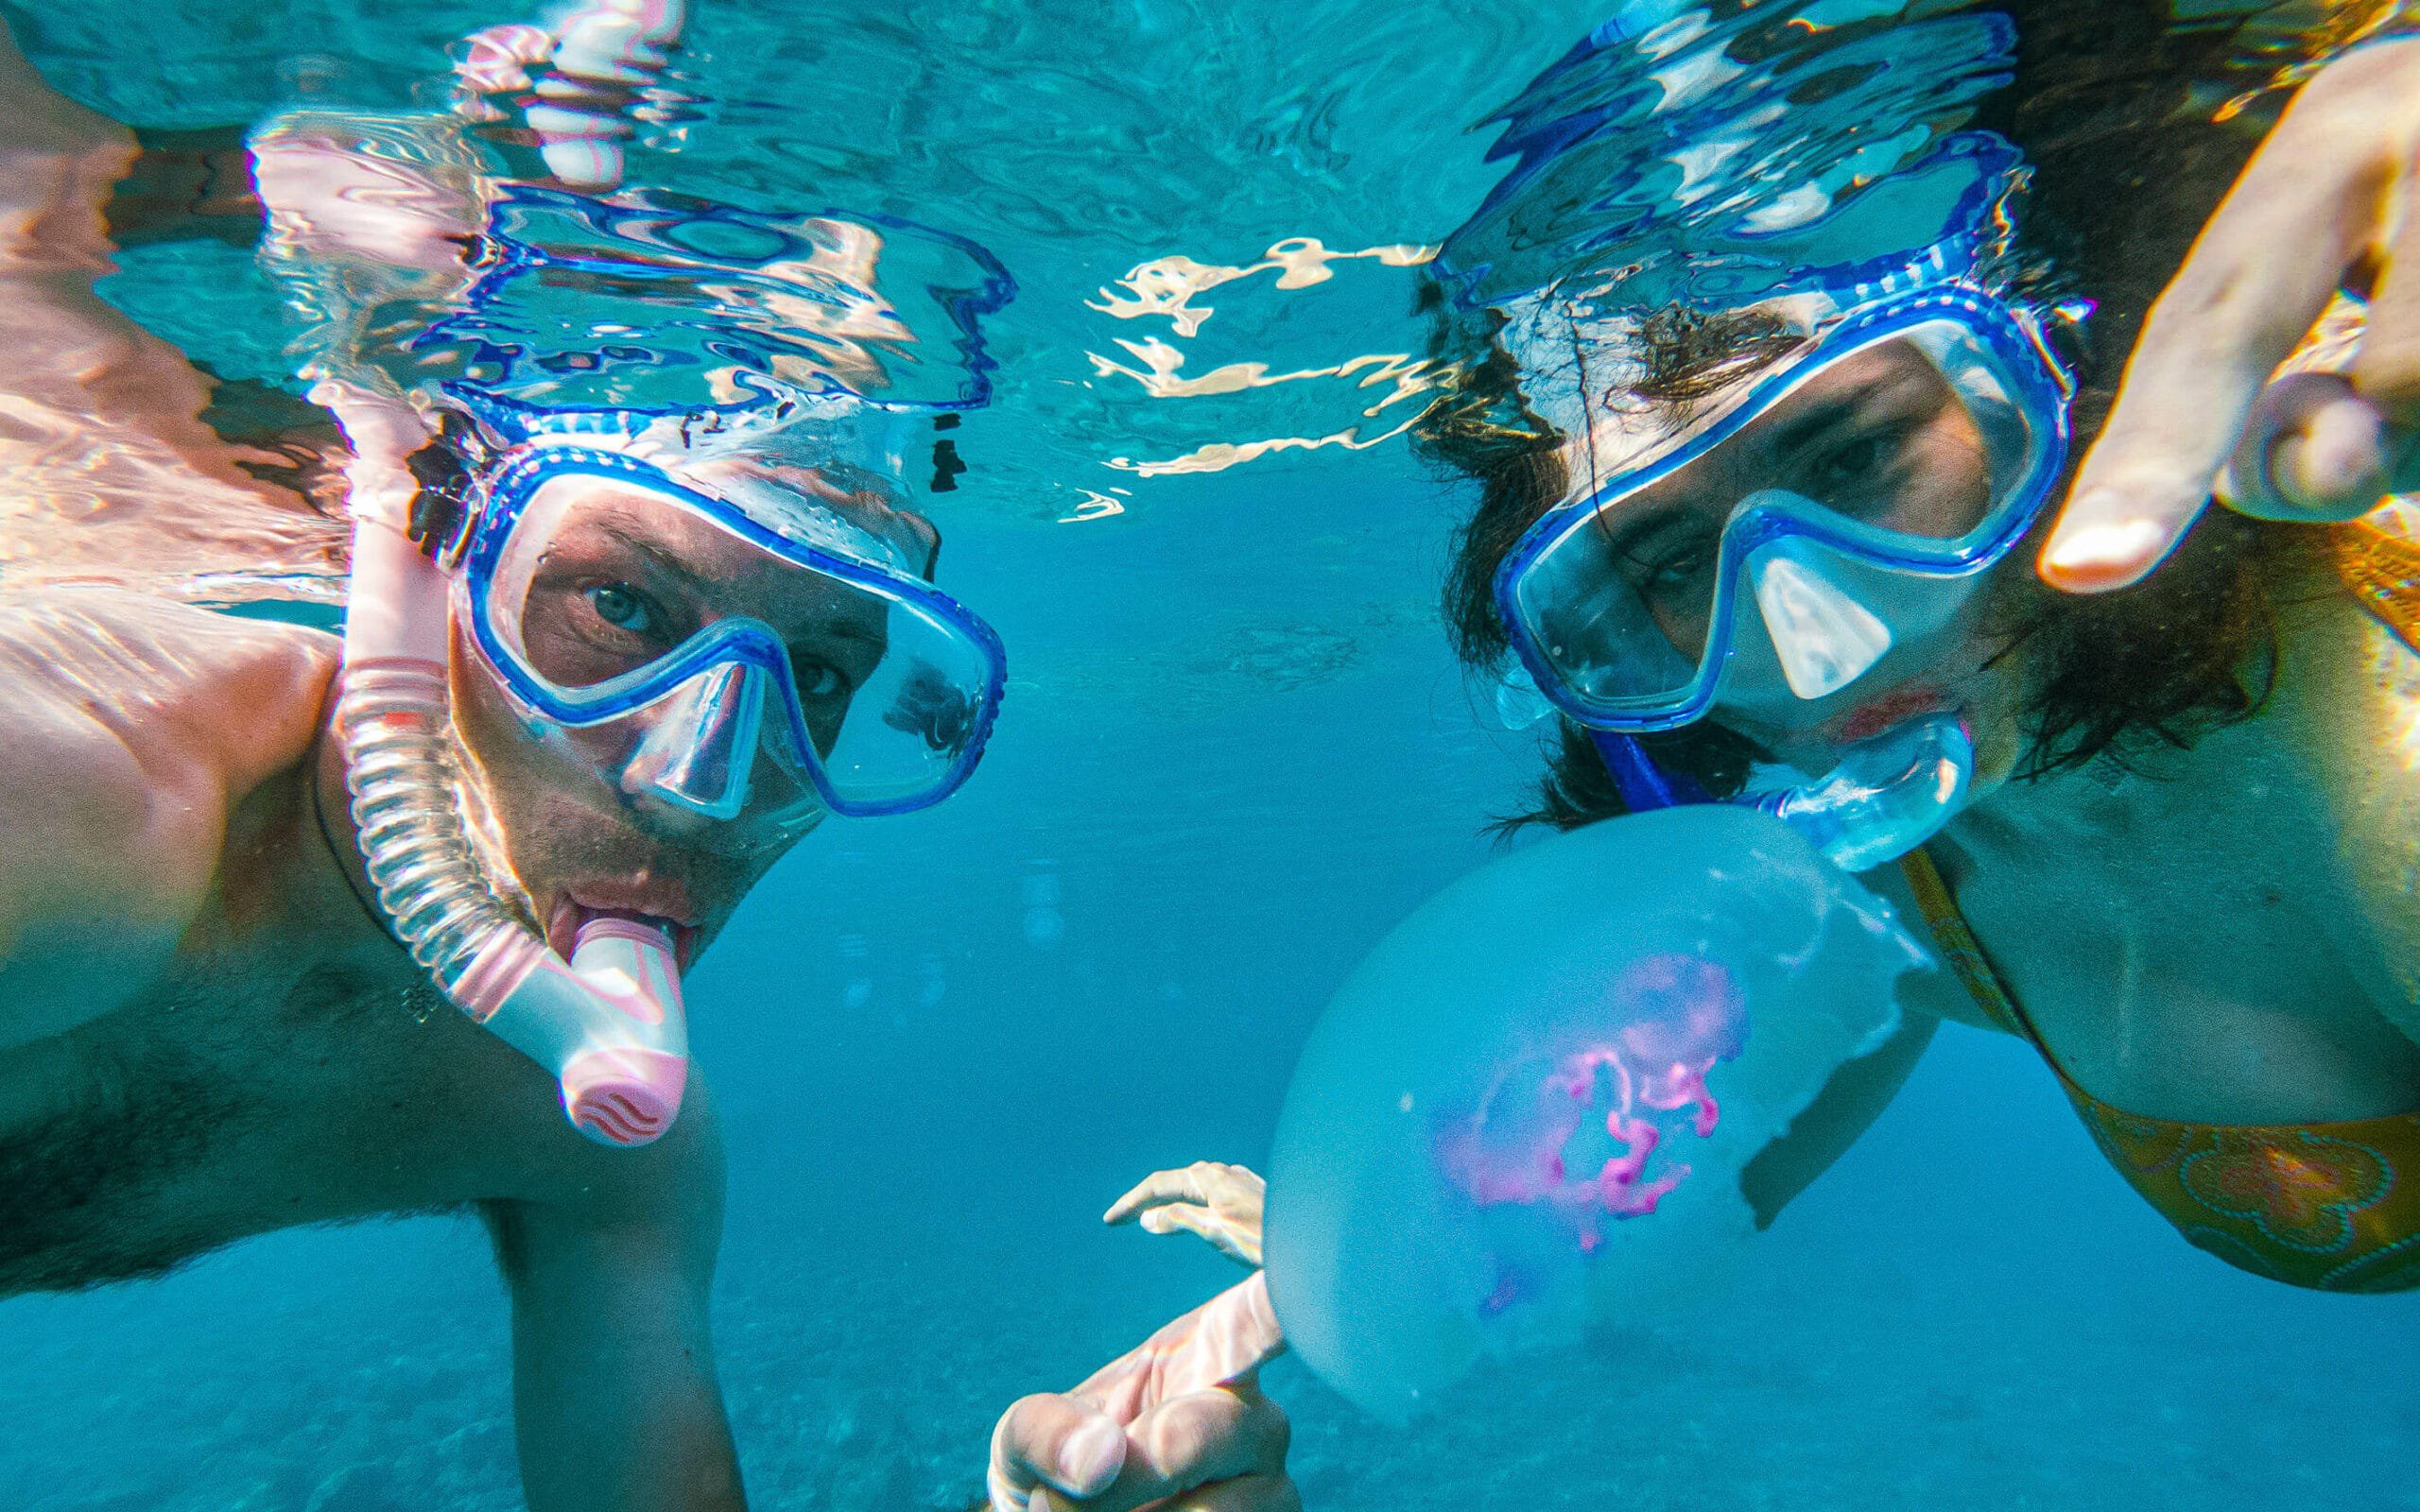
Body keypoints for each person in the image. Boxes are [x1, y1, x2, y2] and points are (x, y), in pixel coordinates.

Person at [983, 9, 2419, 1506]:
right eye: (1667, 557)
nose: (1812, 644)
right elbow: (1643, 1191)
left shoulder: (2385, 741)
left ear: (2053, 396)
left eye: (1860, 455)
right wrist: (1322, 1270)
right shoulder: (1894, 901)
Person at [0, 6, 1007, 1507]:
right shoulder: (93, 818)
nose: (700, 779)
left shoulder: (612, 1144)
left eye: (812, 674)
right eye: (617, 607)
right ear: (419, 572)